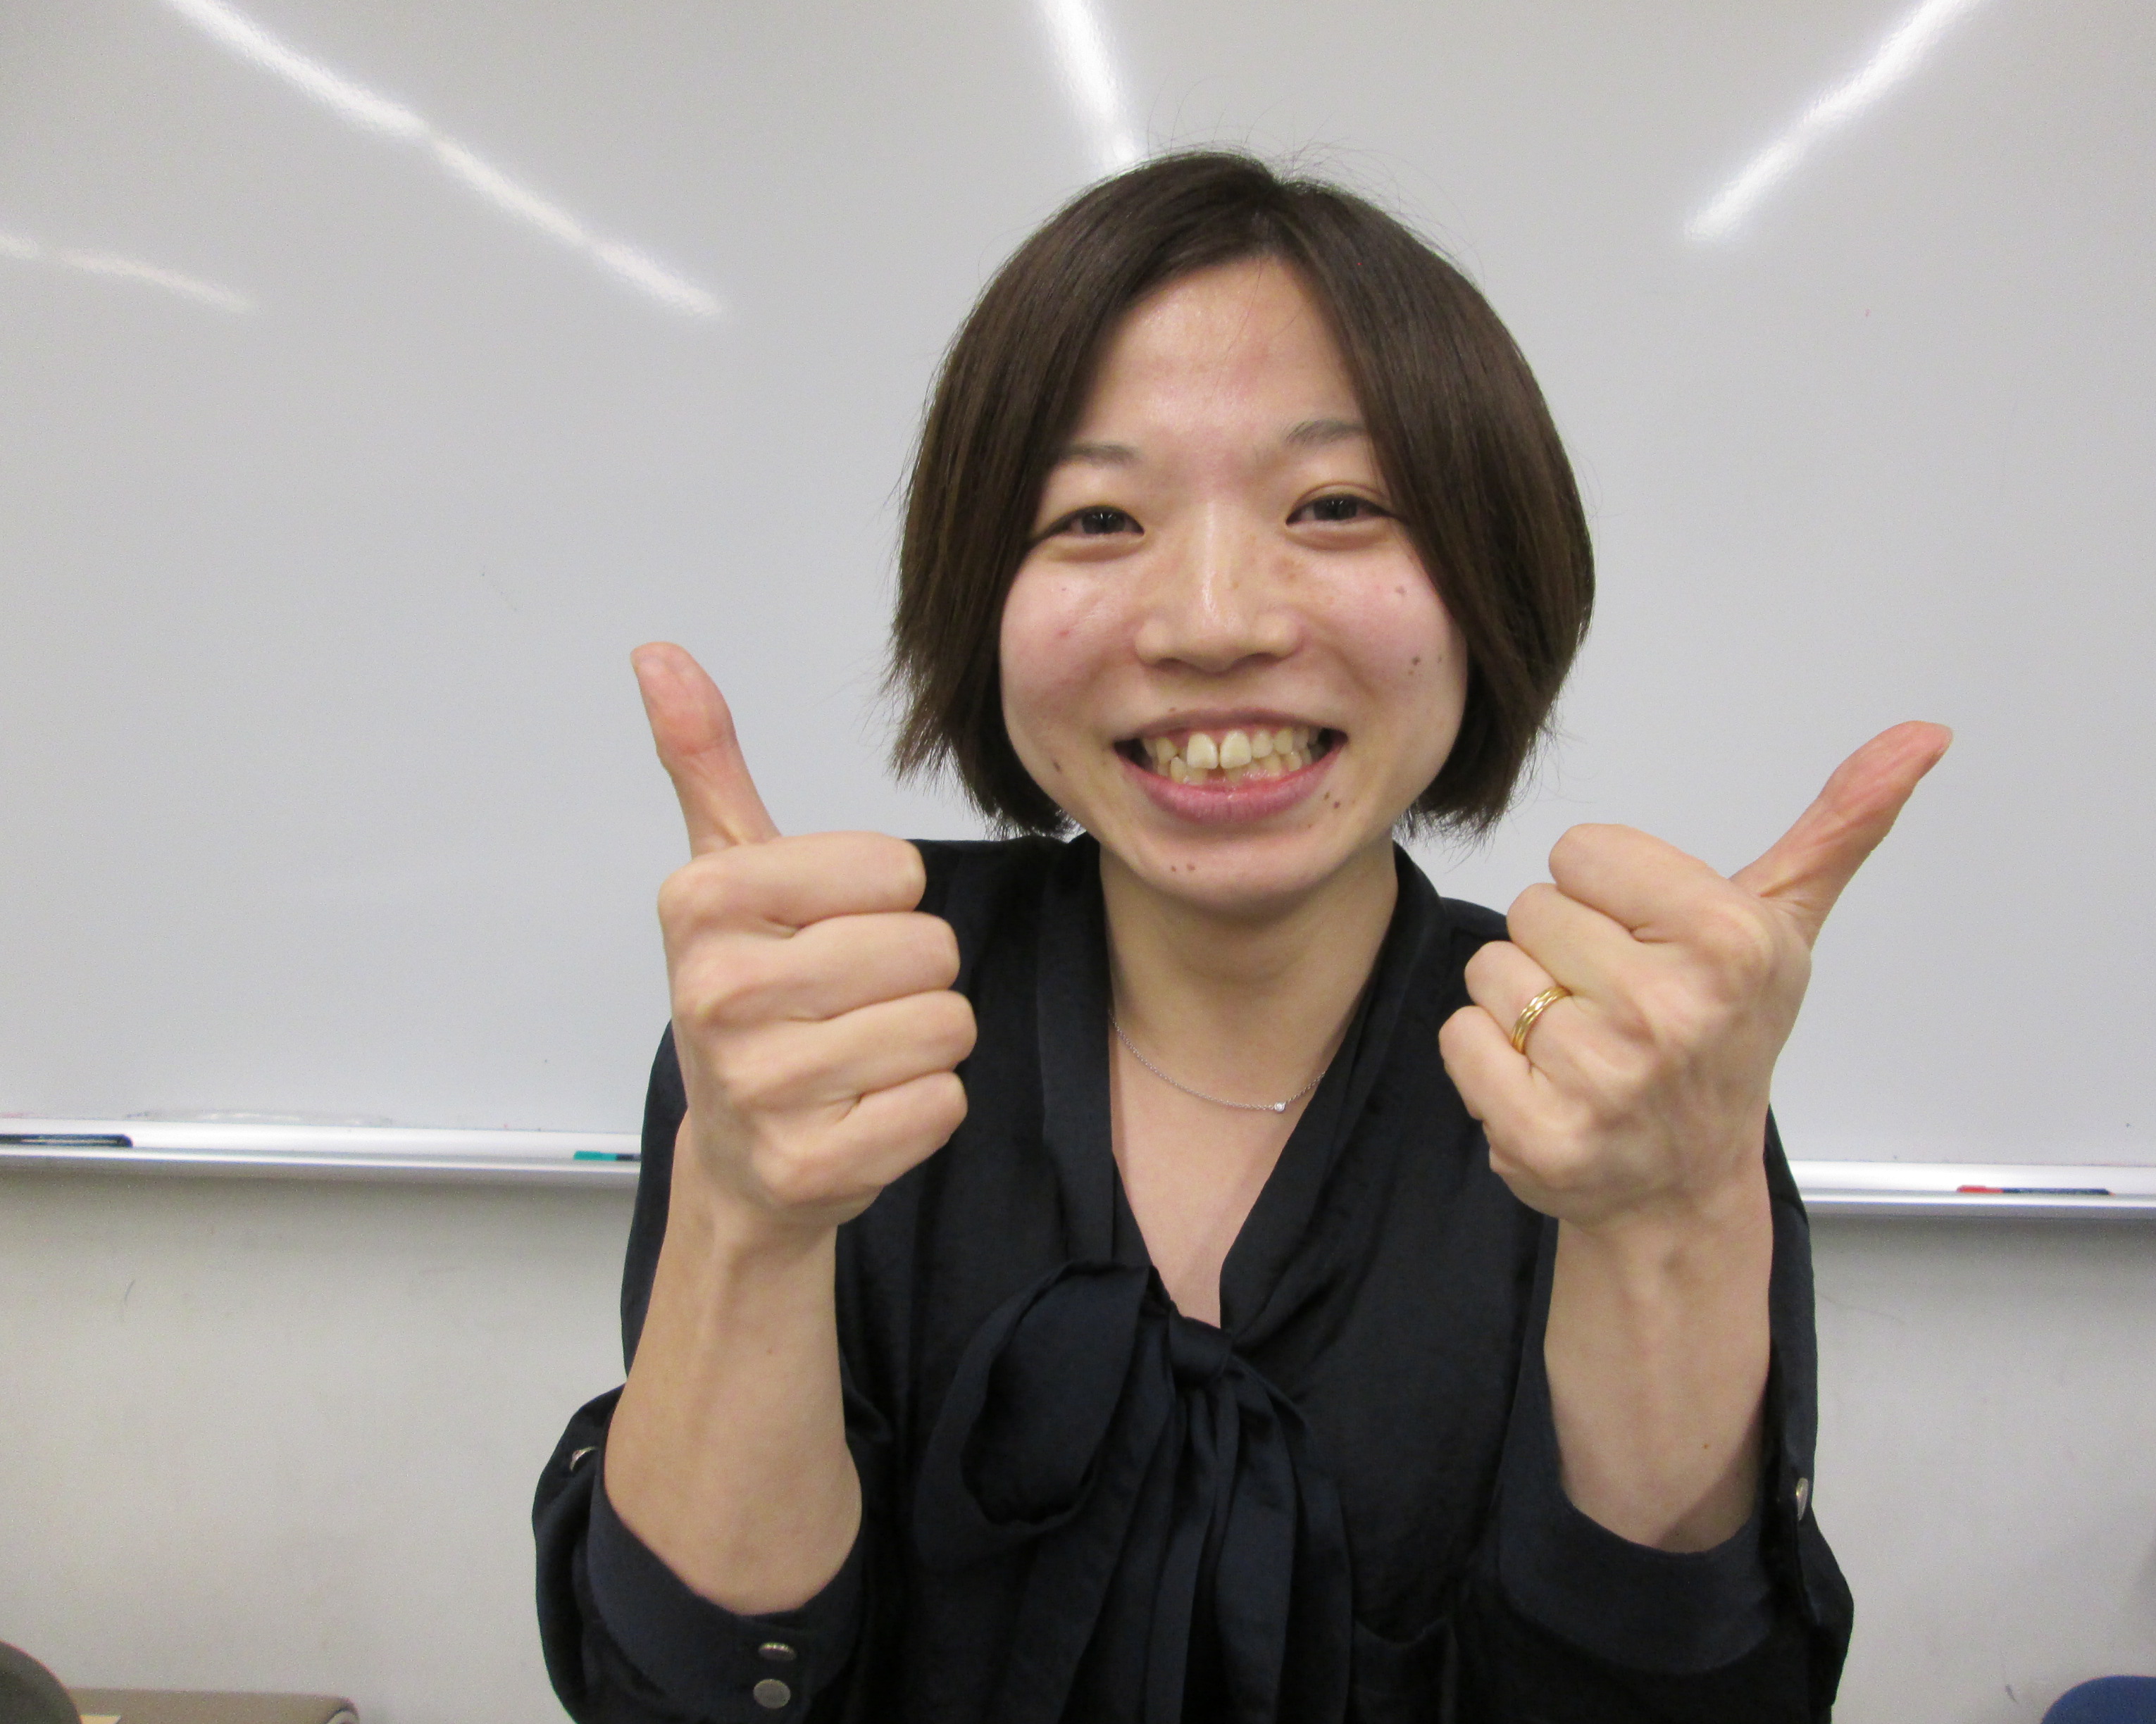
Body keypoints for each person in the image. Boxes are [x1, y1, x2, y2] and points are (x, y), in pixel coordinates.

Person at [533, 150, 1947, 1723]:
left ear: (1488, 576)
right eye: (1096, 516)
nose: (1214, 621)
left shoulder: (1624, 1068)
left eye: (1335, 507)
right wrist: (746, 1218)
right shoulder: (829, 1012)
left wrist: (1673, 1218)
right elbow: (683, 1702)